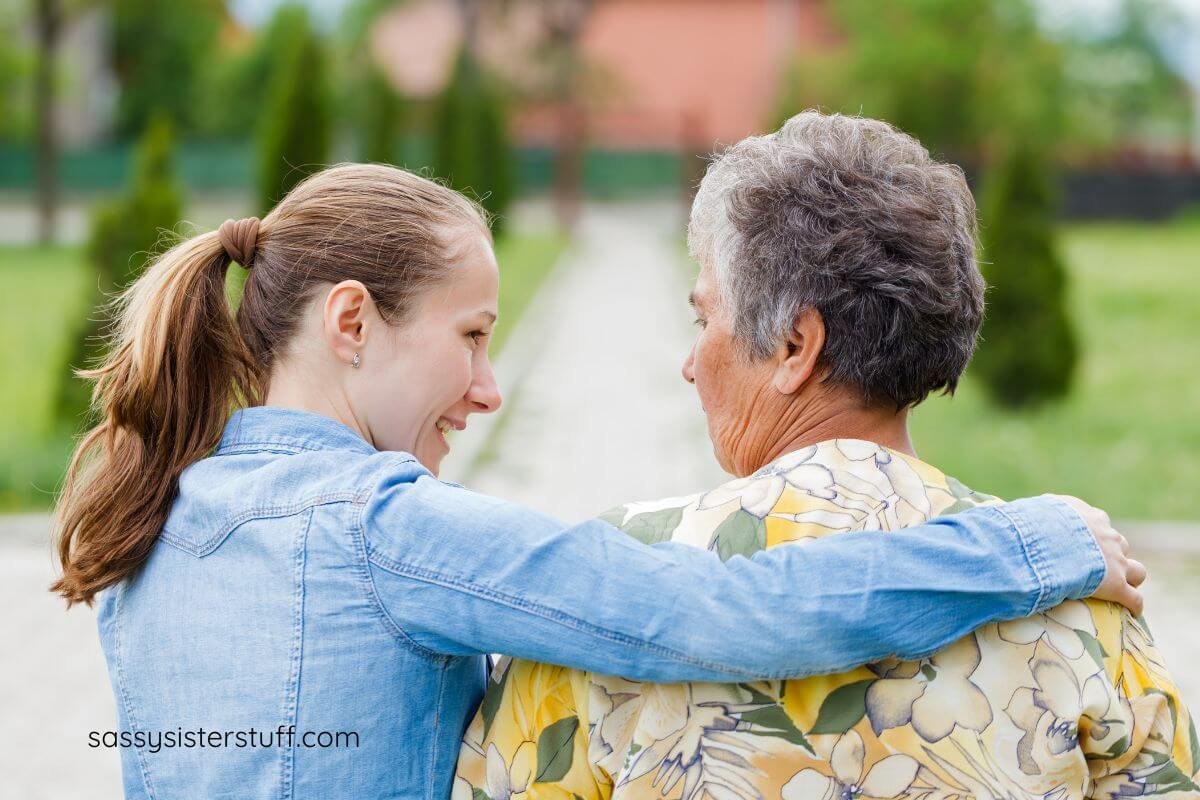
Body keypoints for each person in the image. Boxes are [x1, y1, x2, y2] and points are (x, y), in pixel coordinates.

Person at [52, 164, 1141, 800]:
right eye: (473, 335)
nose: (487, 388)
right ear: (350, 320)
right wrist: (1031, 545)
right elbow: (719, 613)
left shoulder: (148, 522)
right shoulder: (382, 528)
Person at [454, 112, 1191, 800]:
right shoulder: (1087, 602)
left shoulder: (611, 591)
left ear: (794, 346)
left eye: (704, 316)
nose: (688, 362)